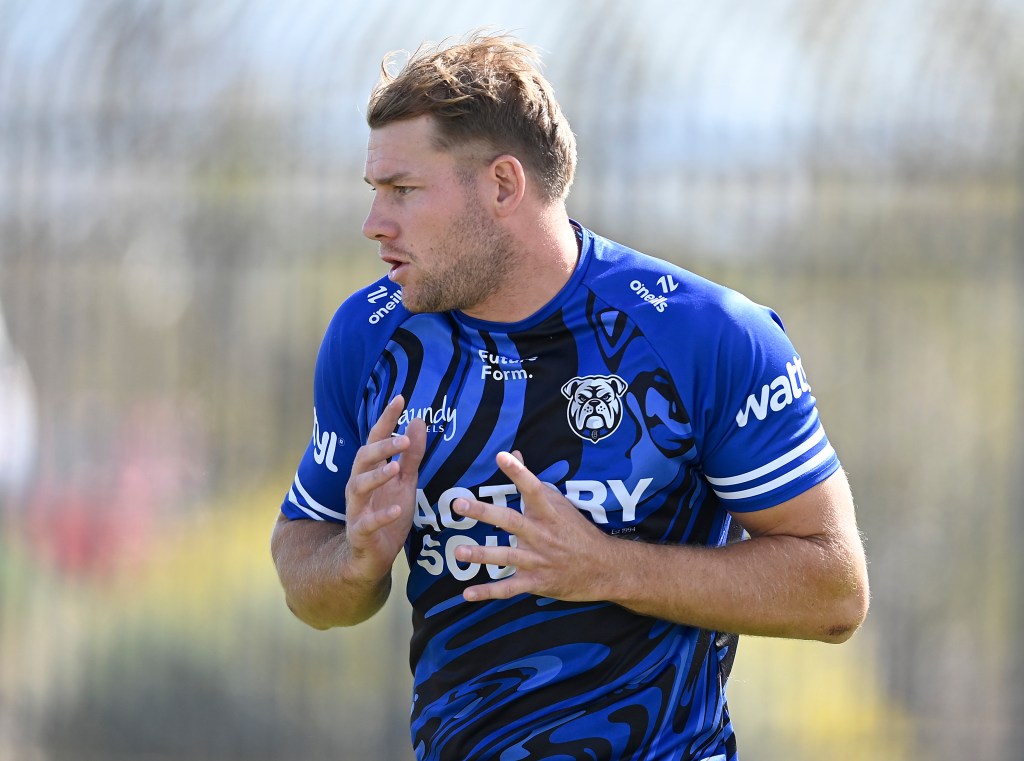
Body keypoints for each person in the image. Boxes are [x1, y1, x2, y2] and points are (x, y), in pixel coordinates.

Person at [271, 32, 869, 761]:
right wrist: (356, 559)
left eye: (402, 190)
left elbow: (835, 592)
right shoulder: (372, 338)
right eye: (375, 192)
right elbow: (306, 575)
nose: (374, 223)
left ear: (502, 185)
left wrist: (608, 567)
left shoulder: (701, 336)